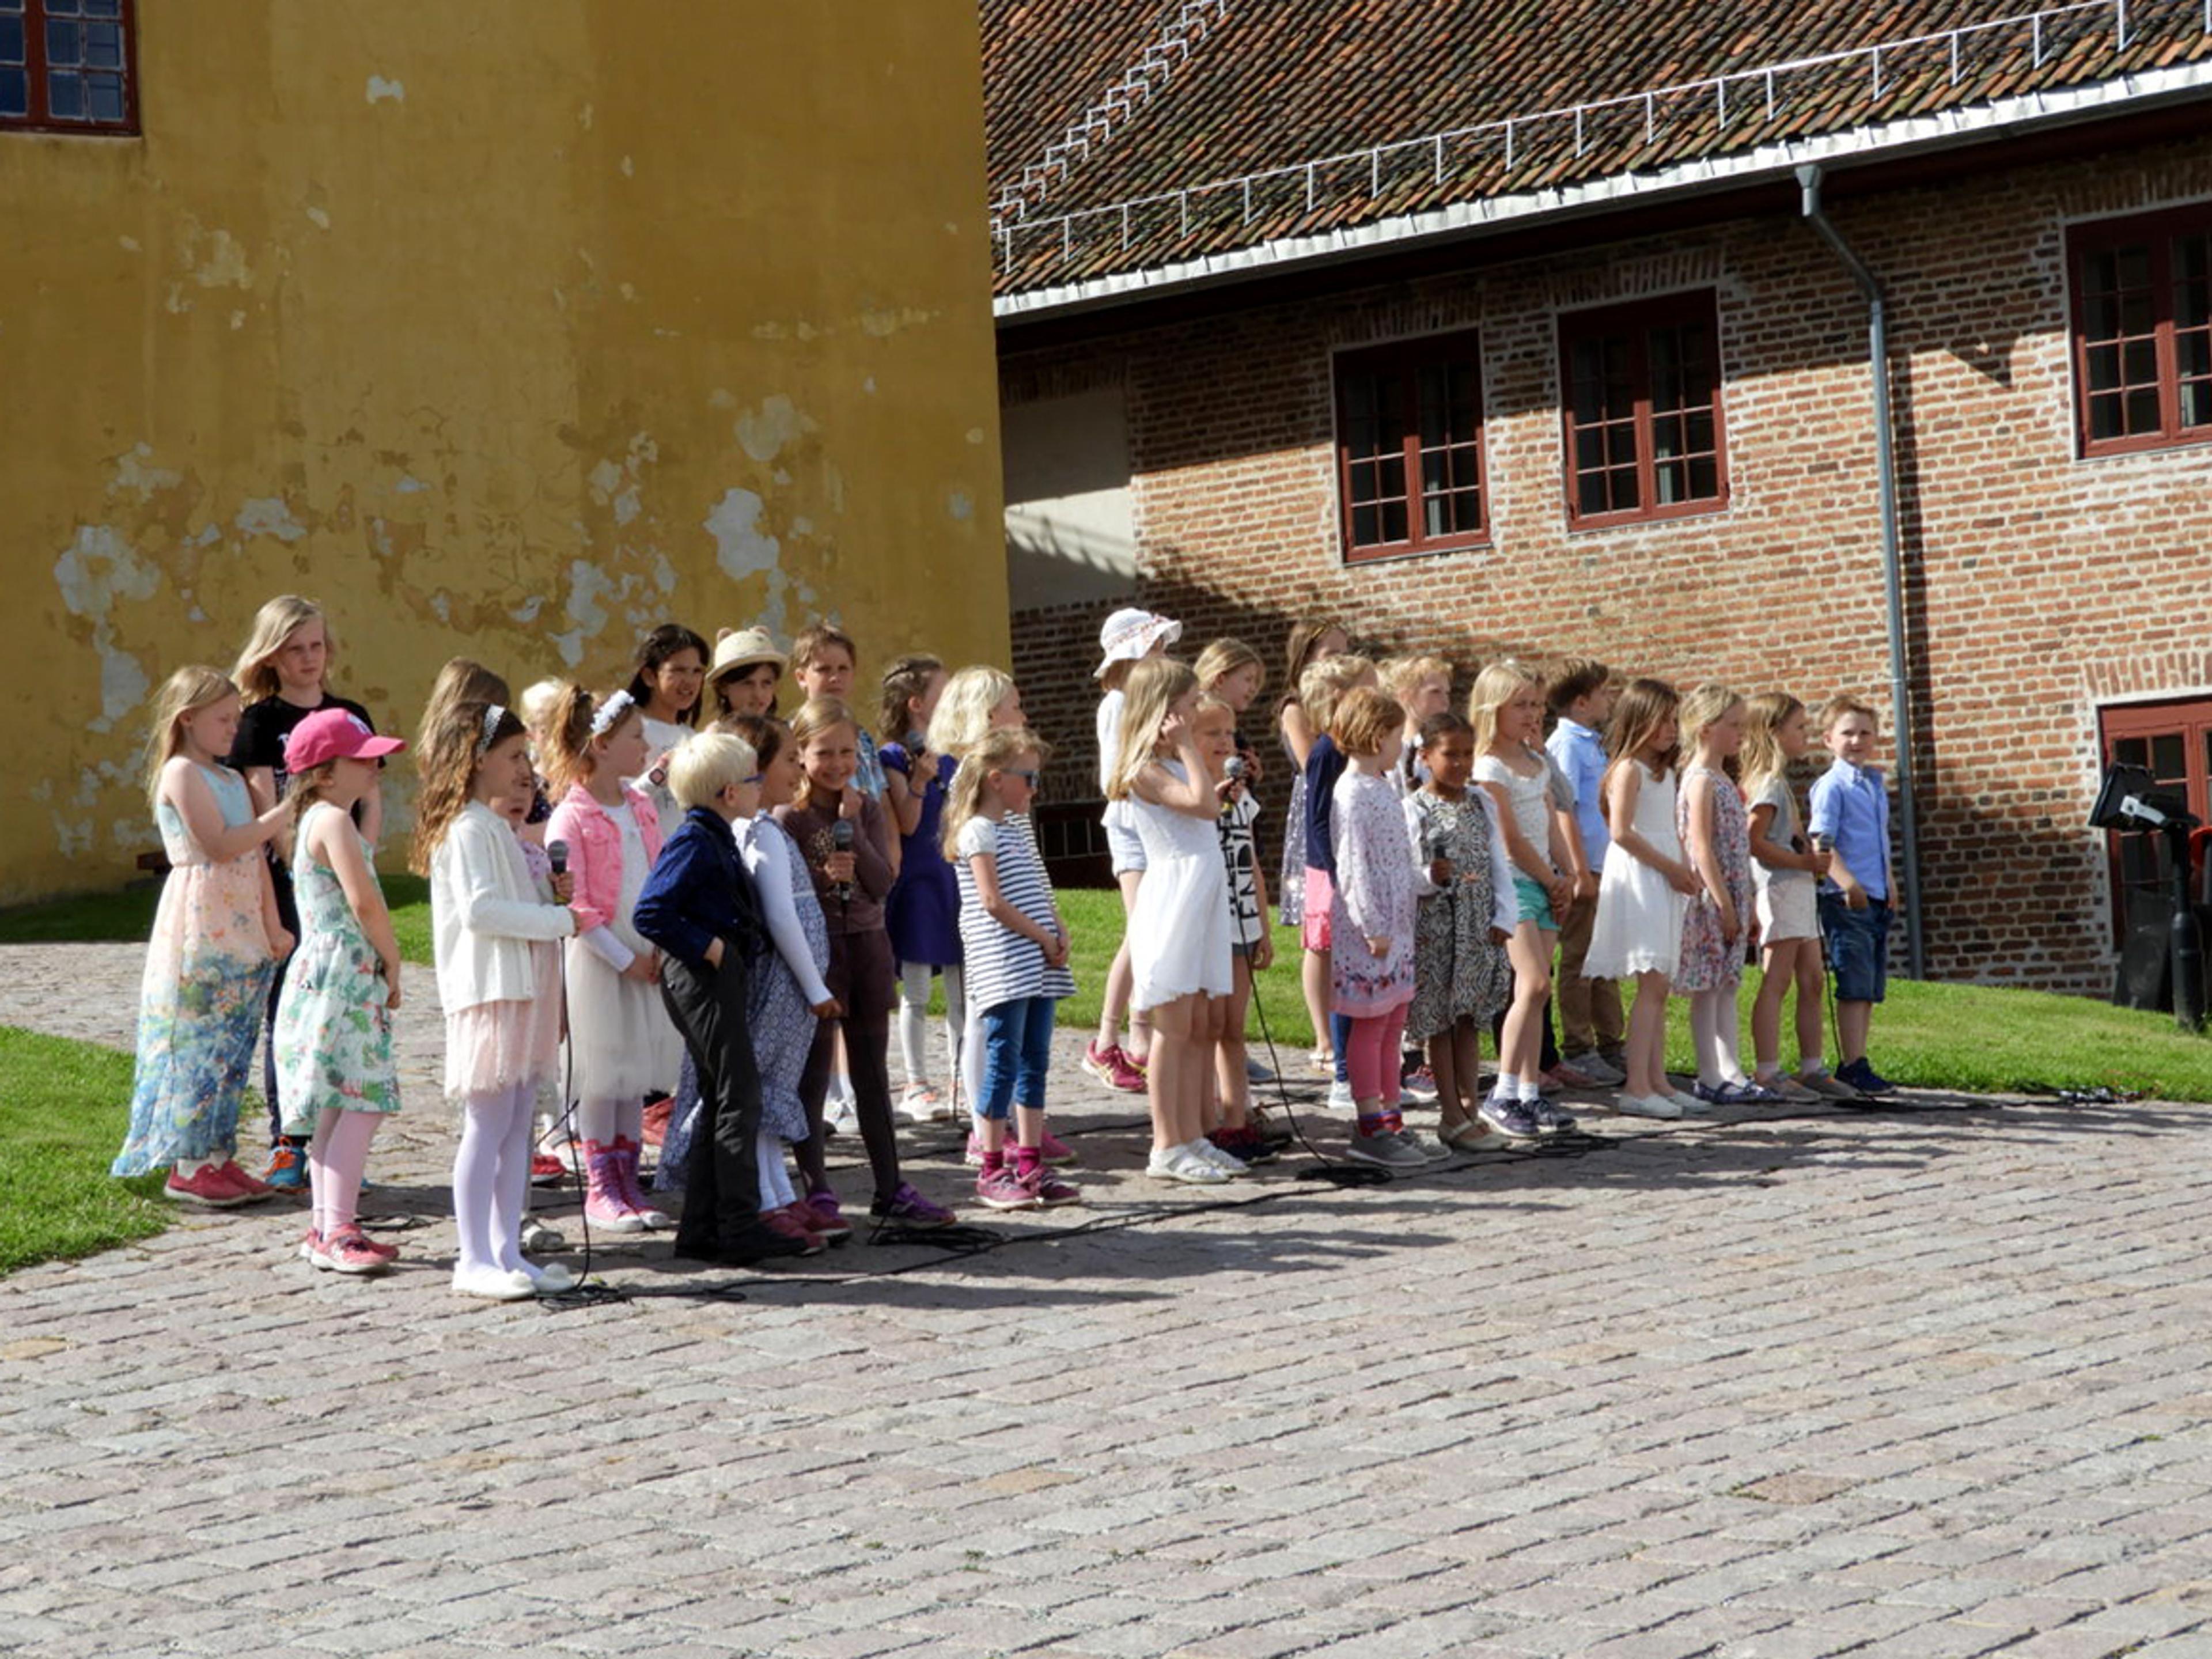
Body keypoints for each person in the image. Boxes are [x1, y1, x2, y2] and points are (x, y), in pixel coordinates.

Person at [415, 700, 581, 1299]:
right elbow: (482, 911)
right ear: (477, 758)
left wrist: (548, 894)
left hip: (520, 989)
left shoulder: (496, 829)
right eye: (512, 756)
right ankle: (473, 1257)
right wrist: (559, 921)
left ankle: (508, 1249)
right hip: (489, 990)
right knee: (486, 1126)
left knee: (517, 1126)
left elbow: (512, 901)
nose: (523, 769)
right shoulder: (466, 830)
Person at [111, 667, 293, 1206]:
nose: (234, 729)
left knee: (232, 1042)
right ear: (188, 718)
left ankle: (217, 1154)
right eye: (223, 719)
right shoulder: (182, 773)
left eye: (235, 719)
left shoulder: (231, 779)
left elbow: (254, 857)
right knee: (196, 1040)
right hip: (202, 921)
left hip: (241, 922)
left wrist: (272, 924)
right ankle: (187, 1164)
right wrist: (283, 812)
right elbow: (219, 843)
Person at [632, 729, 815, 1265]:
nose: (760, 787)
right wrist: (708, 946)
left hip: (716, 978)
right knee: (740, 1097)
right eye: (753, 780)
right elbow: (651, 911)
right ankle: (737, 1224)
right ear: (730, 793)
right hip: (701, 981)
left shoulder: (716, 835)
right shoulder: (694, 840)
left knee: (723, 1096)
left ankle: (703, 1227)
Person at [778, 696, 955, 1230]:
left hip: (868, 946)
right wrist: (822, 875)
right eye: (824, 752)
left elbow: (881, 883)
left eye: (846, 752)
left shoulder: (868, 808)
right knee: (813, 1076)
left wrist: (853, 826)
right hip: (817, 953)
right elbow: (785, 896)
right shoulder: (789, 817)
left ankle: (891, 1186)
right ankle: (818, 1188)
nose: (837, 764)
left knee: (873, 1075)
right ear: (801, 754)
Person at [226, 594, 380, 1191]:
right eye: (295, 649)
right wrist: (310, 870)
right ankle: (287, 1138)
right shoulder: (259, 723)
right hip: (295, 880)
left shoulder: (351, 715)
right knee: (294, 1010)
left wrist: (361, 863)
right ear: (272, 655)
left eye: (316, 645)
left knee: (347, 1010)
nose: (309, 658)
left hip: (349, 873)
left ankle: (336, 1145)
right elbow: (269, 806)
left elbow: (371, 798)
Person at [272, 710, 408, 1274]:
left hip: (326, 974)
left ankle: (327, 1225)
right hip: (346, 976)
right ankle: (340, 1228)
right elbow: (365, 901)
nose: (376, 766)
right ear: (325, 773)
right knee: (360, 1101)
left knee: (336, 1105)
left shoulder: (318, 819)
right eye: (362, 759)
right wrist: (392, 958)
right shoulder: (332, 820)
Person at [543, 686, 680, 1233]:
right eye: (636, 737)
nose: (646, 746)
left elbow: (658, 872)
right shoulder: (571, 817)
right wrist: (623, 957)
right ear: (601, 745)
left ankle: (628, 1180)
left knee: (632, 1072)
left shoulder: (639, 805)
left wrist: (660, 943)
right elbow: (574, 905)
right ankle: (602, 1187)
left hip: (645, 951)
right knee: (603, 1074)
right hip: (603, 958)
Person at [1109, 657, 1238, 1183]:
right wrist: (1187, 745)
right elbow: (1202, 807)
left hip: (1202, 894)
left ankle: (1191, 1134)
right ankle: (1166, 1143)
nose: (1191, 715)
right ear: (1162, 710)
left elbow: (1206, 805)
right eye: (1186, 706)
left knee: (1196, 1024)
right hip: (1174, 897)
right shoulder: (1144, 769)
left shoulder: (1175, 764)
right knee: (1173, 1028)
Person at [944, 727, 1080, 1210]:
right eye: (1029, 778)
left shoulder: (1014, 830)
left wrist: (1058, 929)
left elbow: (1038, 890)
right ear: (996, 779)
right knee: (1003, 1060)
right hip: (1007, 963)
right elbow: (992, 901)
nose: (1034, 789)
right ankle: (991, 1166)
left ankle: (1030, 1161)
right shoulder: (977, 831)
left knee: (1035, 1060)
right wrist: (1042, 936)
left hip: (1036, 964)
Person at [729, 713, 849, 1247]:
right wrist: (816, 988)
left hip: (792, 988)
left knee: (775, 1092)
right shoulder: (761, 834)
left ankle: (779, 1190)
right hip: (784, 987)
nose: (798, 768)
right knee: (769, 1091)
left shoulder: (765, 828)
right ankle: (765, 1197)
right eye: (789, 760)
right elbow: (781, 914)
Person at [1404, 711, 1520, 1152]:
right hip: (1438, 928)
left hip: (1477, 924)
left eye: (1468, 754)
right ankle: (1450, 1112)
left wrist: (1503, 915)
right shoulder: (1415, 808)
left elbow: (1497, 862)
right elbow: (1410, 872)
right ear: (1426, 757)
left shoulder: (1479, 801)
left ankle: (1470, 1106)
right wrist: (1429, 877)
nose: (1460, 764)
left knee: (1469, 1017)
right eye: (1450, 755)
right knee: (1441, 1020)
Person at [1585, 679, 1700, 1120]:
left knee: (1661, 984)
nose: (1672, 728)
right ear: (1639, 720)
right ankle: (1636, 1086)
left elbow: (1670, 828)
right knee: (1651, 983)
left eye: (1674, 720)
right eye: (1663, 720)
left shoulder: (1664, 773)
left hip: (1665, 875)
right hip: (1641, 876)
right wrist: (1670, 867)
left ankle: (1658, 1081)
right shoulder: (1628, 769)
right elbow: (1621, 832)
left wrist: (1682, 867)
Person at [1471, 661, 1576, 1140]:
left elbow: (1551, 823)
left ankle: (1531, 1092)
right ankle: (1503, 1090)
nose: (1532, 714)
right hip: (1513, 883)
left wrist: (1567, 873)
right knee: (1530, 984)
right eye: (1521, 705)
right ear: (1493, 708)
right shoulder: (1489, 766)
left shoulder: (1535, 762)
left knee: (1540, 991)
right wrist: (1550, 879)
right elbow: (1510, 839)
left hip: (1544, 880)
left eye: (1536, 705)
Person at [1326, 687, 1429, 1169]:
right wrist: (1372, 925)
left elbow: (1398, 857)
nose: (1400, 746)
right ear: (1375, 736)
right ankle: (1370, 1122)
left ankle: (1392, 1118)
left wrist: (1423, 884)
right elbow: (1353, 868)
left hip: (1397, 927)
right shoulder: (1351, 794)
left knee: (1392, 1025)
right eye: (1395, 736)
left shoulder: (1383, 787)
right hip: (1372, 931)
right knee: (1370, 1026)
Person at [1084, 607, 1181, 1095]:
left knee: (1153, 929)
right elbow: (1113, 776)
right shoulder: (1117, 704)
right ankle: (1114, 1037)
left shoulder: (1155, 701)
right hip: (1130, 824)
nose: (1162, 654)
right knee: (1142, 929)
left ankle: (1140, 1030)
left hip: (1157, 825)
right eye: (1153, 647)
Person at [1740, 694, 1851, 1101]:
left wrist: (1807, 854)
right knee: (1778, 979)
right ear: (1774, 733)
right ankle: (1767, 1069)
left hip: (1798, 887)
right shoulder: (1768, 783)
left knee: (1812, 979)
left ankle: (1812, 1066)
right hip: (1781, 887)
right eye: (1799, 727)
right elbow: (1754, 842)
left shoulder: (1780, 782)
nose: (1806, 734)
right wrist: (1802, 862)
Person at [1675, 685, 1776, 1108]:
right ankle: (1709, 1073)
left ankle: (1731, 1070)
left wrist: (1746, 900)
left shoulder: (1723, 780)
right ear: (1705, 729)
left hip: (1734, 892)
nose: (1741, 734)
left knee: (1728, 984)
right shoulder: (1699, 780)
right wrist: (1723, 903)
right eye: (1733, 725)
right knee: (1708, 986)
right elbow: (1700, 847)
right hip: (1711, 897)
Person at [878, 653, 964, 1122]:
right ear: (916, 703)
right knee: (915, 990)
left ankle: (962, 1078)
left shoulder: (954, 756)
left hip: (955, 878)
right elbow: (908, 824)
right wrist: (919, 780)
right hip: (918, 885)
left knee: (961, 987)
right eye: (943, 693)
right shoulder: (894, 757)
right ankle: (916, 1082)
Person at [1192, 693, 1275, 1165]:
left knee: (1234, 1027)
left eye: (1229, 734)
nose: (1225, 742)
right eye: (1213, 734)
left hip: (1242, 921)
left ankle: (1237, 1118)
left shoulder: (1241, 798)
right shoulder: (1194, 796)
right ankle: (1205, 1120)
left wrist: (1263, 925)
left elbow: (1251, 863)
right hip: (1209, 924)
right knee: (1208, 1026)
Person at [1298, 652, 1380, 1111]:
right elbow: (1317, 820)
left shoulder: (1361, 746)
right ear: (1341, 696)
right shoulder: (1327, 751)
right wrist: (1337, 875)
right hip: (1334, 876)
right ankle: (1345, 1077)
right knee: (1346, 973)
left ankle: (1366, 1072)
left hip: (1360, 870)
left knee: (1365, 972)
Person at [1808, 695, 1899, 1096]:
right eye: (1847, 733)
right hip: (1847, 898)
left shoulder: (1874, 784)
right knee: (1854, 983)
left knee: (1870, 987)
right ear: (1828, 739)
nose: (1857, 740)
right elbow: (1822, 842)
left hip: (1875, 894)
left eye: (1865, 733)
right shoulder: (1832, 786)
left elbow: (1879, 841)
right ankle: (1851, 1063)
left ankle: (1859, 1059)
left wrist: (1889, 881)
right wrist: (1847, 883)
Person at [1545, 659, 1626, 1086]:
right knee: (1578, 959)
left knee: (1605, 957)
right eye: (1603, 693)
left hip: (1605, 866)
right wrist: (1578, 871)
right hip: (1585, 869)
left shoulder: (1593, 743)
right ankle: (1580, 1045)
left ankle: (1613, 1042)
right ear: (1580, 702)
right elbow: (1565, 811)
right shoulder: (1566, 745)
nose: (1609, 699)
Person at [1275, 618, 1349, 1071]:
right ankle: (1323, 1036)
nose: (1340, 661)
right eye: (1331, 653)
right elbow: (1310, 764)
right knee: (1319, 936)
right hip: (1317, 812)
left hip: (1347, 810)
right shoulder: (1296, 708)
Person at [624, 623, 711, 840]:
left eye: (697, 671)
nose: (690, 681)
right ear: (650, 676)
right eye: (678, 670)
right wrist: (659, 773)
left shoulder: (692, 737)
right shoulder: (630, 731)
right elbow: (617, 802)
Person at [706, 626, 786, 721]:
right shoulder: (716, 731)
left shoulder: (785, 729)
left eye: (767, 683)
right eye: (747, 683)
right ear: (723, 687)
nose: (758, 694)